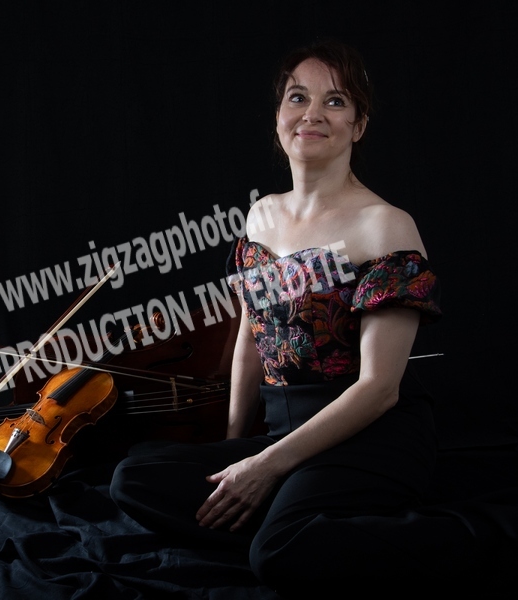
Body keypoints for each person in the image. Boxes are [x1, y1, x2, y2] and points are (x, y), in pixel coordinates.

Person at [109, 39, 445, 591]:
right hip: (281, 432)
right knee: (132, 479)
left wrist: (264, 466)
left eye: (335, 101)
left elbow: (380, 390)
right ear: (279, 117)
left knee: (278, 555)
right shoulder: (261, 215)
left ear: (358, 125)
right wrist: (234, 448)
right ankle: (299, 519)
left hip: (369, 434)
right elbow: (250, 336)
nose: (312, 114)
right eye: (298, 97)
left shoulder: (385, 225)